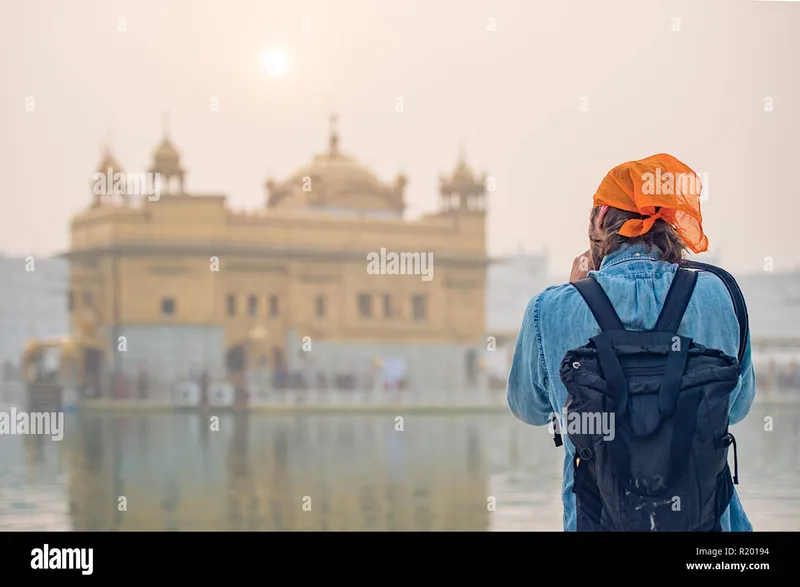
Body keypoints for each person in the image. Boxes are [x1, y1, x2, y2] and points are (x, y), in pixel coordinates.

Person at [507, 154, 755, 531]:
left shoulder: (551, 309)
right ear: (668, 222)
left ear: (600, 220)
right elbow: (734, 409)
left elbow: (528, 408)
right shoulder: (719, 295)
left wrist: (573, 292)